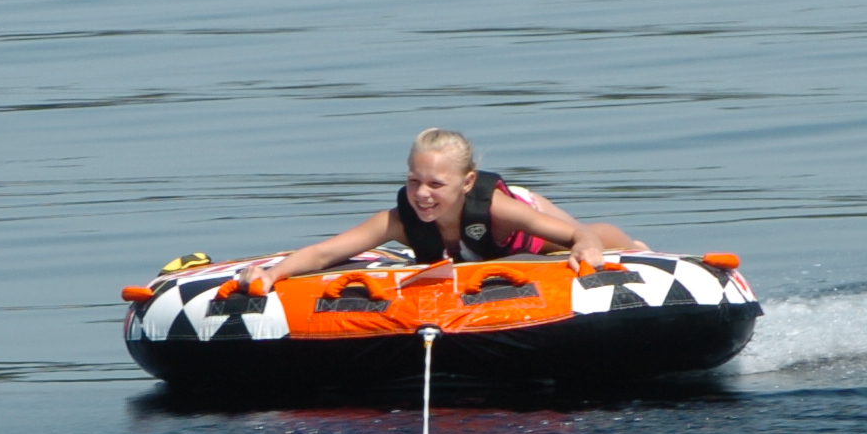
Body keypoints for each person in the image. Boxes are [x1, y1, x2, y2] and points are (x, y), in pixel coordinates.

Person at [240, 128, 644, 293]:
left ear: (466, 183)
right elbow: (325, 253)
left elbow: (576, 236)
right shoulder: (400, 221)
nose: (422, 194)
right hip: (470, 255)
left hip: (527, 223)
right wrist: (272, 274)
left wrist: (586, 244)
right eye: (414, 181)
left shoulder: (497, 210)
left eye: (436, 185)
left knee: (586, 238)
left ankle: (640, 247)